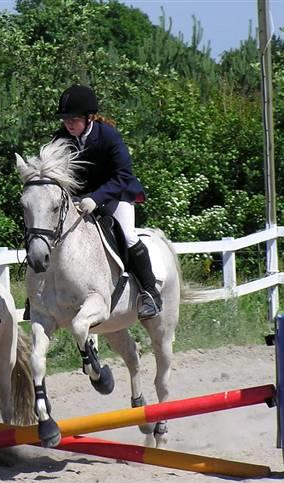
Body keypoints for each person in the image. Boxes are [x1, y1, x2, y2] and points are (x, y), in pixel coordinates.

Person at [53, 84, 162, 320]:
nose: (68, 124)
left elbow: (123, 175)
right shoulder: (60, 139)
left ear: (89, 117)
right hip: (79, 197)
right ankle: (43, 297)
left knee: (128, 235)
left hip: (115, 194)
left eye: (74, 119)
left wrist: (96, 198)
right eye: (65, 120)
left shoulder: (108, 136)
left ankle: (149, 292)